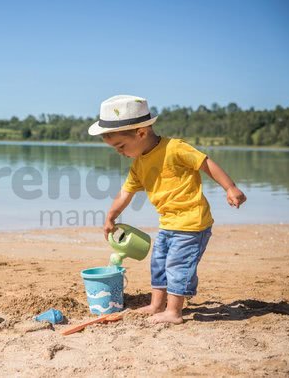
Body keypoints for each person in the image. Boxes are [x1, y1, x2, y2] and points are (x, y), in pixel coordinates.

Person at [88, 95, 247, 324]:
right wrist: (111, 216)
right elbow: (126, 192)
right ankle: (156, 305)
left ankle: (173, 312)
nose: (119, 152)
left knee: (177, 265)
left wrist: (230, 187)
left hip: (192, 222)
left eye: (121, 146)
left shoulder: (175, 148)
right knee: (159, 262)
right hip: (168, 223)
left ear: (141, 132)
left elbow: (205, 163)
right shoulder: (139, 164)